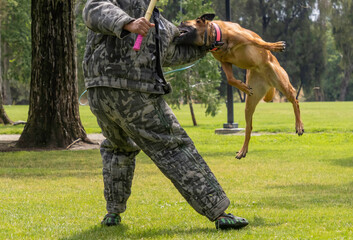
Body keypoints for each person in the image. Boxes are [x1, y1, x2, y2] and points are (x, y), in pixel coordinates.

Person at [82, 0, 248, 230]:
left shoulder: (160, 25)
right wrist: (129, 23)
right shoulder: (122, 4)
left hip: (100, 93)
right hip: (134, 93)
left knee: (119, 147)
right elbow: (92, 9)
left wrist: (207, 44)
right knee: (174, 147)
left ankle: (113, 212)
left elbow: (171, 54)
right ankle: (219, 212)